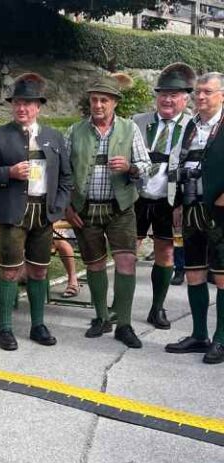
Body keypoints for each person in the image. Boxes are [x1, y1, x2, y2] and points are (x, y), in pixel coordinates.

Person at [0, 73, 72, 351]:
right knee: (9, 272)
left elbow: (66, 176)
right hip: (12, 212)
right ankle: (5, 329)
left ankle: (38, 325)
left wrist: (59, 207)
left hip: (44, 212)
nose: (22, 108)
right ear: (12, 105)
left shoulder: (53, 137)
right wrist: (9, 172)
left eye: (28, 103)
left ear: (38, 106)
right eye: (18, 102)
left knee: (39, 272)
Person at [64, 73, 152, 348]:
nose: (98, 105)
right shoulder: (74, 131)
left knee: (126, 261)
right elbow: (63, 174)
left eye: (104, 100)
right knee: (94, 263)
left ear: (115, 102)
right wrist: (66, 207)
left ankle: (123, 324)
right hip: (84, 209)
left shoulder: (129, 129)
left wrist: (130, 168)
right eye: (94, 100)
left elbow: (147, 165)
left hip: (121, 207)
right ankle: (102, 317)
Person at [165, 72, 224, 363]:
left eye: (208, 92)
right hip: (190, 208)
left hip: (220, 211)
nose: (201, 97)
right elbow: (178, 163)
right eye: (199, 92)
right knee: (194, 272)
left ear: (222, 95)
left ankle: (222, 339)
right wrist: (176, 203)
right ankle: (199, 335)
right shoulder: (191, 125)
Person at [132, 62, 195, 329]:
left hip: (169, 200)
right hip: (136, 196)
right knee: (126, 252)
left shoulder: (194, 126)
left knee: (165, 253)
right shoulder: (137, 121)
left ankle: (157, 308)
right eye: (163, 94)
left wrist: (184, 202)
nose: (167, 99)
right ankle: (118, 307)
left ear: (185, 98)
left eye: (174, 95)